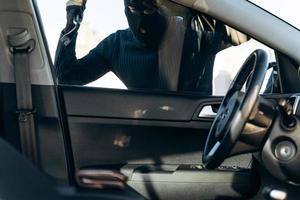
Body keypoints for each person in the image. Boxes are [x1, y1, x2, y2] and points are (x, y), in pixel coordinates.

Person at [55, 0, 233, 94]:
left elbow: (243, 31)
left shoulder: (196, 34)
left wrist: (193, 6)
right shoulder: (117, 44)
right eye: (133, 9)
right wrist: (73, 16)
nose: (141, 18)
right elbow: (67, 76)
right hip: (146, 143)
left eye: (149, 9)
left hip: (195, 142)